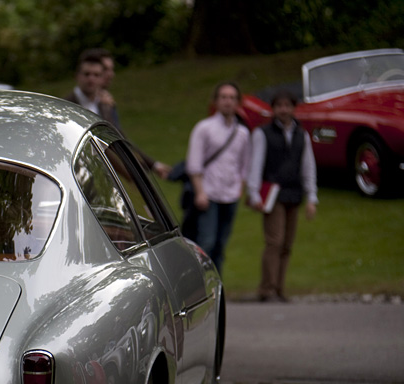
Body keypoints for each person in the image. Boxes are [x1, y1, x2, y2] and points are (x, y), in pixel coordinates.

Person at [246, 89, 318, 302]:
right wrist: (254, 194)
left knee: (287, 244)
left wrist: (311, 196)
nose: (284, 110)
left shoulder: (301, 135)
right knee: (274, 241)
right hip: (272, 195)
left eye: (288, 106)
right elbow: (255, 165)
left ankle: (279, 288)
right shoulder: (262, 133)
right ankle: (266, 289)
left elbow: (308, 166)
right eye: (279, 106)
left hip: (294, 194)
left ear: (293, 108)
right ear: (273, 109)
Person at [66, 49, 170, 178]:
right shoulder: (66, 106)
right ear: (78, 76)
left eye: (96, 75)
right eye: (87, 74)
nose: (91, 79)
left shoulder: (105, 105)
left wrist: (149, 166)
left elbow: (118, 138)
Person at [186, 81, 251, 274]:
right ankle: (200, 282)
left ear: (238, 102)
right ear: (216, 101)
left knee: (221, 244)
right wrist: (200, 192)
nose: (228, 102)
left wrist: (240, 188)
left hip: (230, 194)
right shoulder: (204, 128)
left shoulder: (242, 133)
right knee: (207, 241)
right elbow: (194, 163)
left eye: (232, 98)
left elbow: (244, 164)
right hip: (208, 192)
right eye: (223, 97)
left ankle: (217, 284)